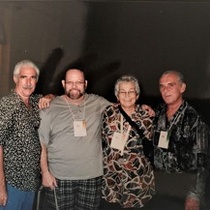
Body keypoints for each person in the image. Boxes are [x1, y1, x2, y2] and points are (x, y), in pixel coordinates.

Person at [38, 68, 111, 210]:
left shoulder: (98, 102)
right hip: (59, 177)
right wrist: (45, 173)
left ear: (85, 84)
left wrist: (143, 108)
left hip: (91, 176)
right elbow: (42, 144)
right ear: (64, 84)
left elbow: (123, 109)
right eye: (70, 82)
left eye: (78, 82)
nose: (74, 86)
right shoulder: (49, 107)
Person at [150, 70, 209, 210]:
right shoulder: (158, 112)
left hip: (182, 188)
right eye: (162, 86)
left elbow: (202, 160)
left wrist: (195, 194)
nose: (165, 90)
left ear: (182, 88)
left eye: (171, 85)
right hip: (159, 185)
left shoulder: (195, 119)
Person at [0, 60, 53, 210]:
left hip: (30, 183)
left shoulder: (34, 101)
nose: (28, 82)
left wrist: (48, 97)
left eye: (33, 77)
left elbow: (53, 96)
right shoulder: (8, 104)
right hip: (12, 184)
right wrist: (1, 187)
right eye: (24, 77)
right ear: (15, 78)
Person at [100, 75, 155, 209]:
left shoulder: (147, 116)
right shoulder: (107, 113)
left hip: (138, 179)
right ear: (117, 95)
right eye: (122, 92)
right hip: (112, 179)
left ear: (137, 95)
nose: (127, 95)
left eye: (131, 91)